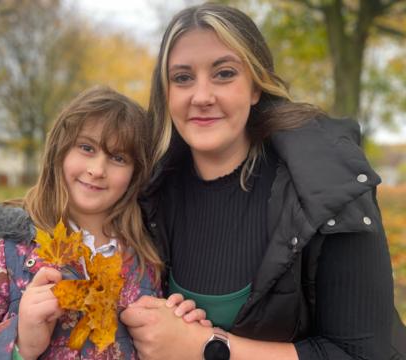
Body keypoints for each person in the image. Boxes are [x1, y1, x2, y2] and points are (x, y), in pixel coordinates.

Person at [120, 3, 402, 360]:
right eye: (182, 77)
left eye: (224, 74)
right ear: (167, 93)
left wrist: (207, 347)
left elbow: (362, 353)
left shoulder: (329, 189)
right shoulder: (146, 193)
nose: (202, 96)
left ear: (256, 87)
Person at [0, 86, 206, 360]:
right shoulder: (3, 255)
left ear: (136, 173)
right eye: (86, 148)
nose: (97, 170)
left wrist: (178, 337)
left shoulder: (148, 260)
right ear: (60, 151)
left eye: (118, 158)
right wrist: (18, 344)